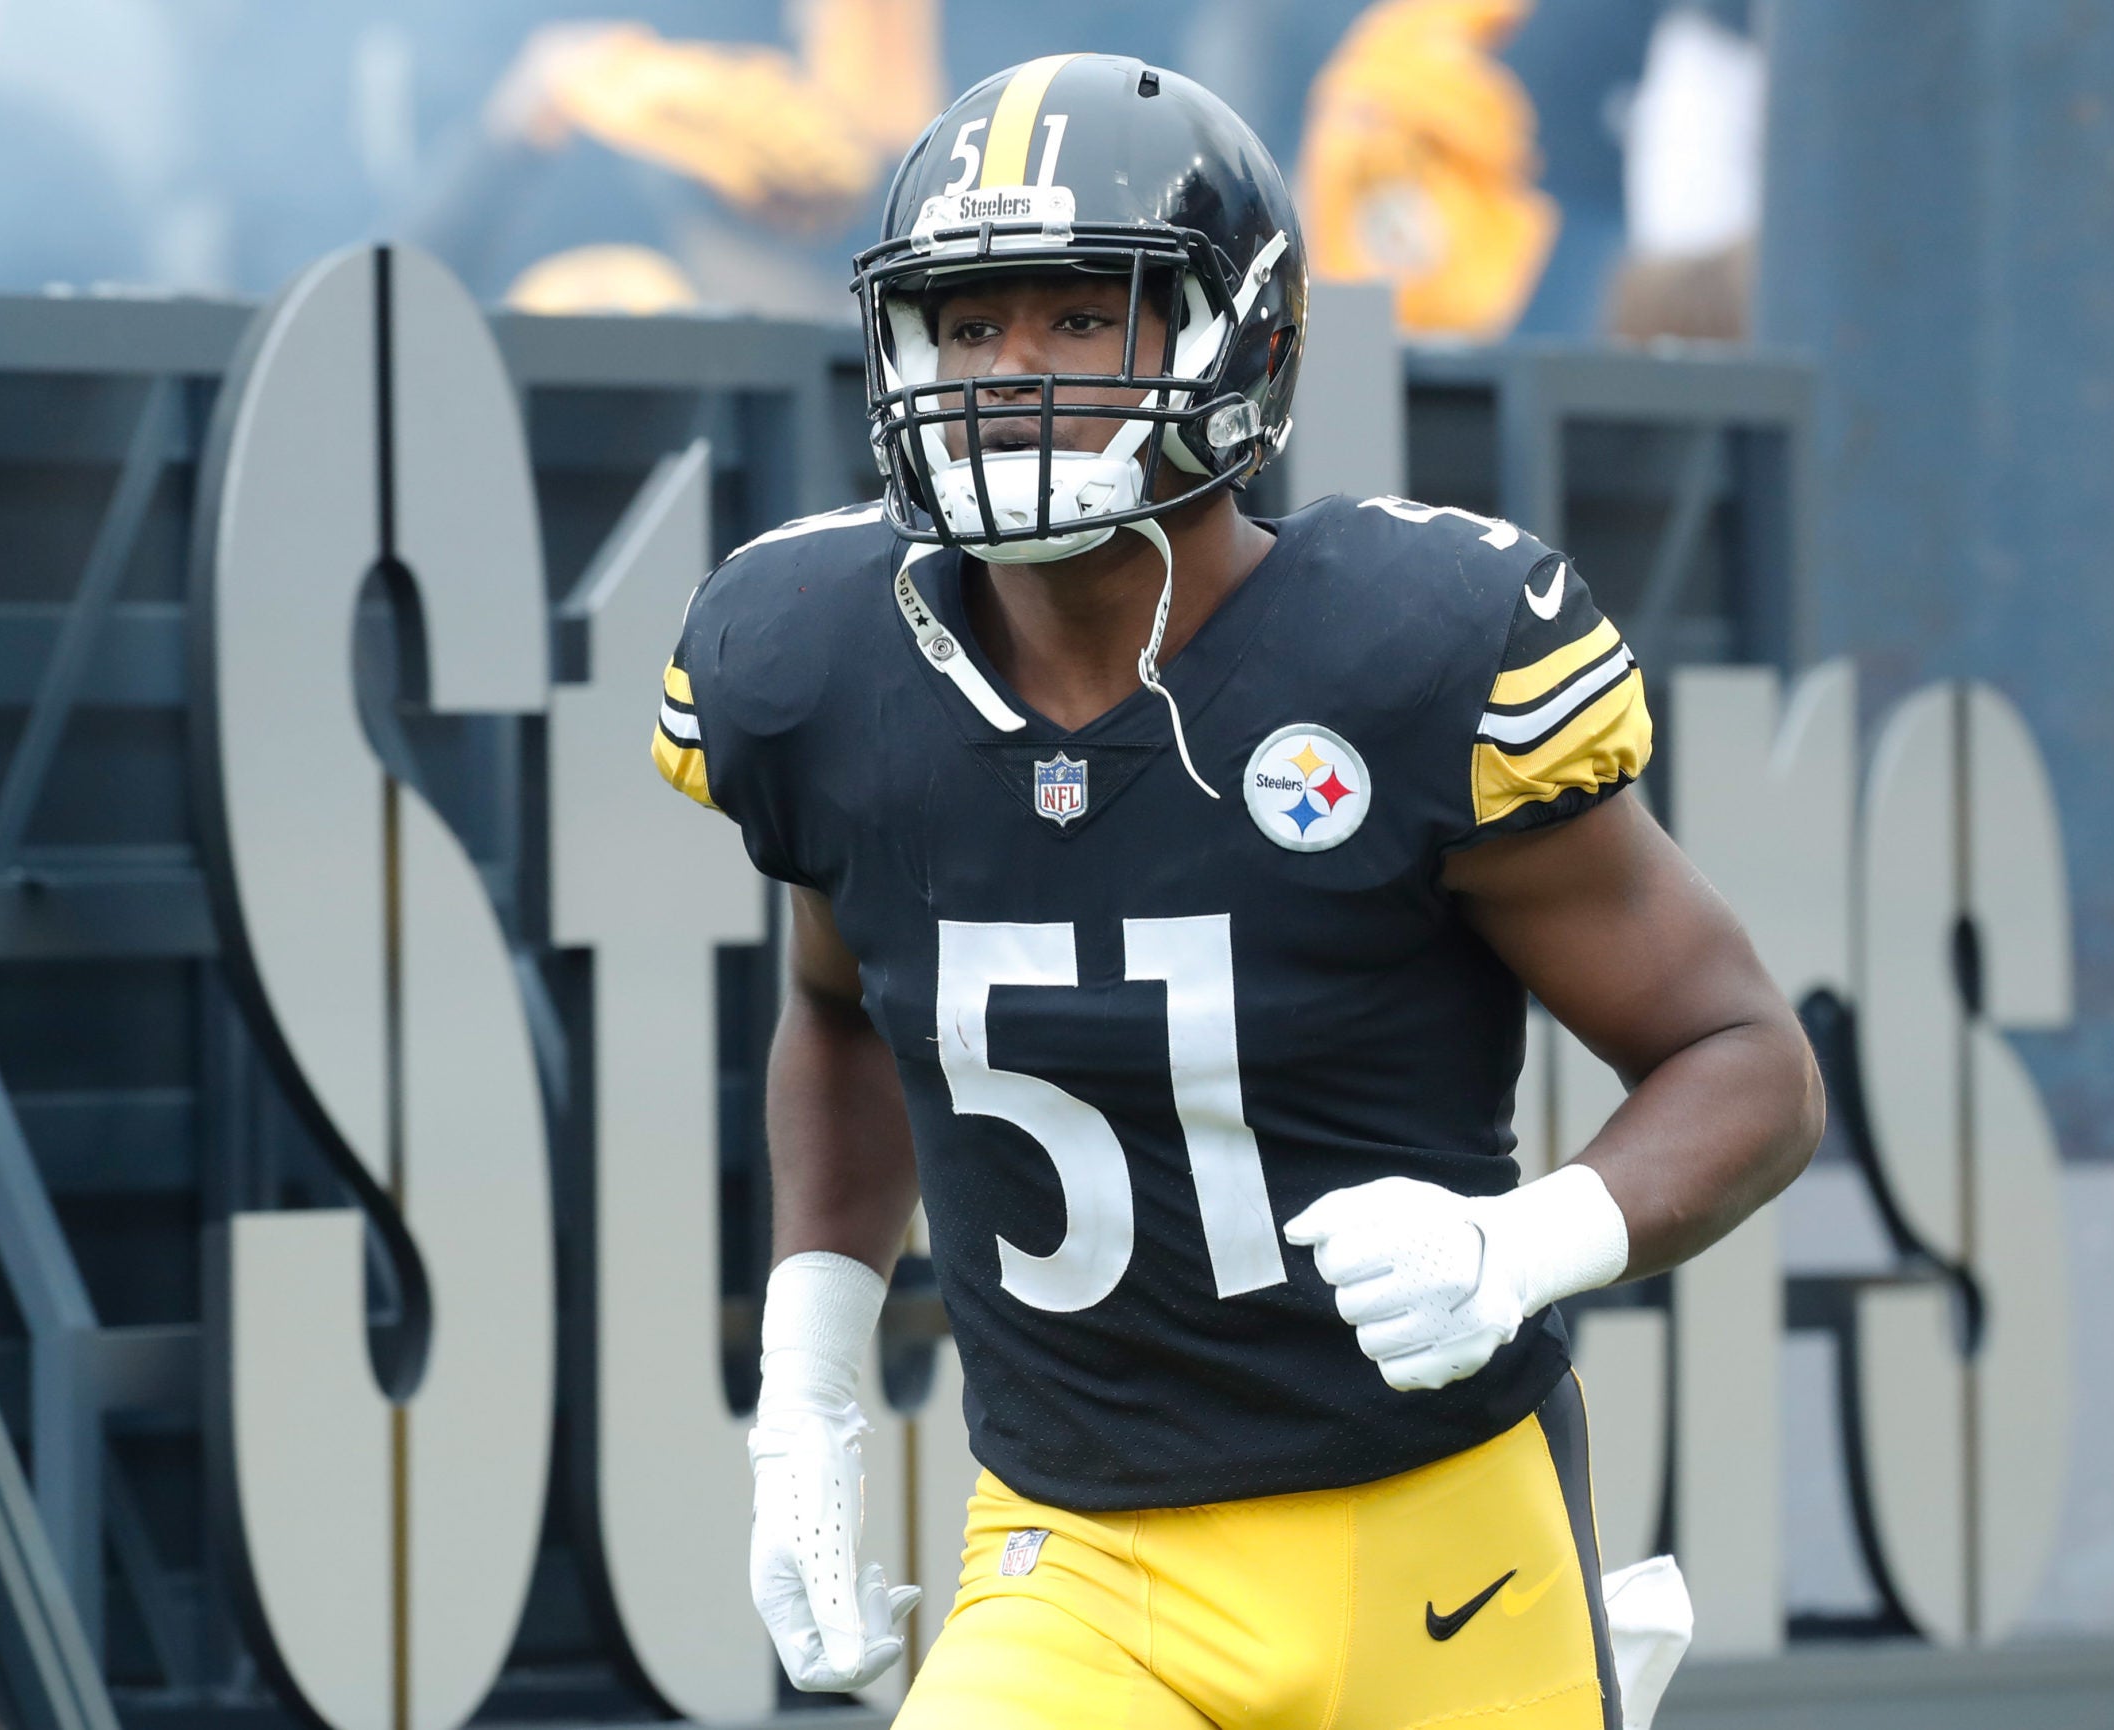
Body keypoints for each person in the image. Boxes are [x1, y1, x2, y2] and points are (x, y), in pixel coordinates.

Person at [651, 52, 1819, 1729]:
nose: (1007, 374)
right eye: (968, 326)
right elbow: (842, 1013)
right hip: (1073, 1558)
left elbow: (1747, 1061)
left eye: (1077, 316)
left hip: (1438, 1548)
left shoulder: (1405, 654)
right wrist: (811, 1407)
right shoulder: (825, 665)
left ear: (1236, 336)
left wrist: (1518, 1245)